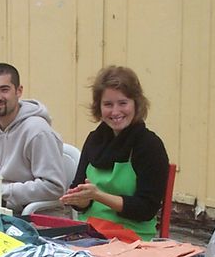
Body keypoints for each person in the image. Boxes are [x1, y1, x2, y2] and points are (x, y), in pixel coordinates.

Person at [60, 65, 170, 239]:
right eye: (108, 104)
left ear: (136, 103)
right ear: (99, 107)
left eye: (123, 103)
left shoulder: (149, 145)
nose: (115, 111)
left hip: (132, 237)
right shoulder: (94, 140)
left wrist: (99, 196)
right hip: (89, 231)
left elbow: (146, 209)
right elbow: (79, 192)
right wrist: (80, 200)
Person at [0, 63, 69, 214]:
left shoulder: (38, 131)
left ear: (19, 91)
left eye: (4, 90)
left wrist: (3, 191)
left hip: (33, 218)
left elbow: (54, 187)